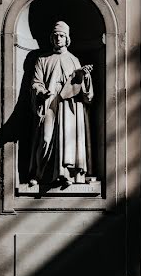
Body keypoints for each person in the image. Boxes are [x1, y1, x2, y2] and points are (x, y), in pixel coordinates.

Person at [27, 20, 94, 187]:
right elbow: (35, 82)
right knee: (46, 138)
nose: (58, 38)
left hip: (69, 105)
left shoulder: (73, 59)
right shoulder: (42, 59)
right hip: (50, 102)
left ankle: (65, 174)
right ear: (52, 38)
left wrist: (84, 76)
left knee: (68, 138)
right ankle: (39, 173)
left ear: (67, 39)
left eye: (62, 36)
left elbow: (83, 90)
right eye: (56, 35)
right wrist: (42, 91)